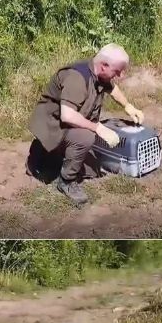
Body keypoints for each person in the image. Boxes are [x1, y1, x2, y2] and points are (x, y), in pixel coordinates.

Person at [28, 43, 145, 205]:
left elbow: (113, 89)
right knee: (86, 137)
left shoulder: (98, 73)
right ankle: (66, 181)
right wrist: (97, 127)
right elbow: (67, 115)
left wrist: (128, 106)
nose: (120, 75)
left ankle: (47, 153)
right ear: (104, 66)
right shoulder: (77, 78)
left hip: (62, 124)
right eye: (117, 71)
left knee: (94, 169)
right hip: (51, 126)